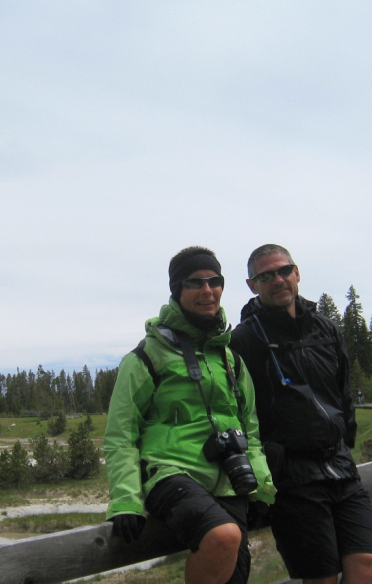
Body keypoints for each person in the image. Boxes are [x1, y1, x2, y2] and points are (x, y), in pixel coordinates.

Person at [104, 246, 276, 584]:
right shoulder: (145, 357)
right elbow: (121, 434)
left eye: (215, 281)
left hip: (228, 481)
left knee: (235, 575)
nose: (207, 291)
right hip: (169, 473)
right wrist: (126, 499)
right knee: (224, 536)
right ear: (176, 290)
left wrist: (261, 488)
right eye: (195, 283)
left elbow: (250, 430)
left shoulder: (230, 360)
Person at [230, 244, 372, 584]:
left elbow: (343, 390)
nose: (278, 280)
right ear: (252, 284)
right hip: (292, 477)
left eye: (284, 271)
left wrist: (346, 438)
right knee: (321, 578)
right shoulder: (244, 340)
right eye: (266, 276)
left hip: (340, 466)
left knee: (368, 566)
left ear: (297, 273)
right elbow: (238, 409)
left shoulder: (325, 329)